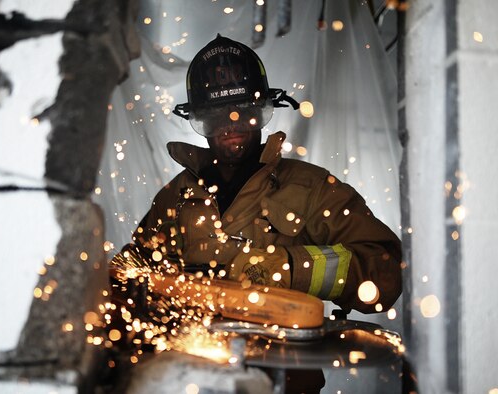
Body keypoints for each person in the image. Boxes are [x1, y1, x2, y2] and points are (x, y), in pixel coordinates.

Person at [128, 34, 402, 314]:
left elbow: (385, 273)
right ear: (201, 120)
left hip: (277, 353)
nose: (231, 124)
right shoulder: (176, 196)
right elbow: (129, 272)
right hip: (192, 348)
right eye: (217, 114)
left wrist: (289, 268)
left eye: (242, 110)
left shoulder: (312, 188)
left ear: (261, 112)